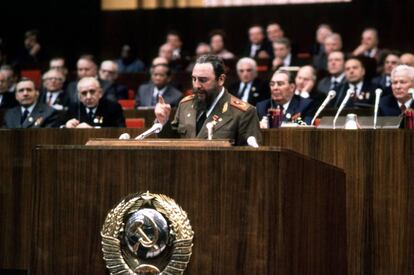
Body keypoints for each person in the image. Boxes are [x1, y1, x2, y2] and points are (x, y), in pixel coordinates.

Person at [155, 54, 262, 145]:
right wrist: (163, 122)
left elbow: (250, 157)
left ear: (220, 80)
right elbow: (172, 142)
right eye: (194, 79)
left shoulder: (243, 113)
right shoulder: (185, 105)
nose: (197, 85)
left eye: (203, 80)